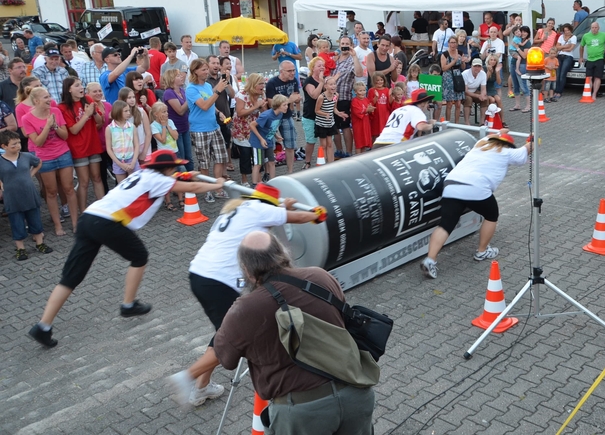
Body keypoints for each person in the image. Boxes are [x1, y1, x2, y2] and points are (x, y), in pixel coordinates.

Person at [28, 151, 225, 348]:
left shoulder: (143, 174)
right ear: (165, 168)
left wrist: (188, 174)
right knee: (139, 256)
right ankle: (128, 304)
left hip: (89, 217)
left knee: (70, 278)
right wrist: (217, 184)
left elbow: (178, 178)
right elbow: (193, 187)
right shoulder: (159, 181)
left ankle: (43, 326)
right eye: (173, 166)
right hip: (107, 222)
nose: (175, 169)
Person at [167, 183, 322, 407]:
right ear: (268, 205)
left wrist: (283, 206)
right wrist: (316, 215)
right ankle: (188, 377)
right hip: (219, 281)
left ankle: (201, 387)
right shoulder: (260, 210)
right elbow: (297, 217)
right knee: (234, 338)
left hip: (199, 275)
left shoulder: (239, 209)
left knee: (223, 332)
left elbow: (276, 214)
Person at [212, 231, 376, 434]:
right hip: (355, 392)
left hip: (303, 412)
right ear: (283, 253)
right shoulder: (320, 276)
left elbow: (226, 359)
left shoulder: (245, 308)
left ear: (246, 270)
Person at [420, 130, 532, 279]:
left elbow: (491, 135)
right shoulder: (507, 152)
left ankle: (430, 260)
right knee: (491, 215)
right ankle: (482, 251)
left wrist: (501, 131)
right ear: (508, 145)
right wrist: (533, 139)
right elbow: (526, 150)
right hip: (476, 188)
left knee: (445, 224)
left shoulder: (480, 145)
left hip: (451, 185)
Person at [19, 87, 79, 236]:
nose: (49, 99)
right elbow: (38, 142)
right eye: (46, 97)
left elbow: (65, 136)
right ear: (36, 100)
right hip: (44, 157)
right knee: (51, 192)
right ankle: (58, 225)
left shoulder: (56, 112)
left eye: (49, 96)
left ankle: (76, 223)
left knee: (69, 188)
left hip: (63, 154)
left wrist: (55, 126)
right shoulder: (26, 118)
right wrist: (47, 126)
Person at [0, 130, 53, 261]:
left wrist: (30, 174)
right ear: (4, 146)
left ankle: (40, 243)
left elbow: (38, 162)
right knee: (16, 222)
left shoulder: (26, 156)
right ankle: (20, 248)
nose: (18, 146)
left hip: (29, 194)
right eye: (13, 144)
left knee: (35, 219)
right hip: (12, 196)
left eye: (18, 143)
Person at [58, 77, 105, 213]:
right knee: (83, 181)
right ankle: (83, 211)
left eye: (81, 85)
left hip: (93, 144)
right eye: (77, 85)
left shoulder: (88, 99)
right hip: (78, 148)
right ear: (69, 89)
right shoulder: (63, 107)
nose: (81, 88)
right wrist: (86, 115)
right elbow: (73, 130)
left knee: (97, 177)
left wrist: (94, 112)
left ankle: (104, 209)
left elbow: (99, 121)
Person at [186, 59, 229, 202]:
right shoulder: (191, 89)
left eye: (206, 69)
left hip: (214, 126)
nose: (207, 72)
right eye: (203, 70)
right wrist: (218, 90)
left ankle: (217, 188)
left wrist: (218, 112)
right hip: (199, 129)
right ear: (195, 71)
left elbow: (211, 103)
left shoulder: (208, 86)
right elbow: (204, 106)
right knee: (204, 162)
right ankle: (206, 190)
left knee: (220, 158)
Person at [265, 61, 302, 173]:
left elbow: (296, 98)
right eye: (289, 71)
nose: (292, 73)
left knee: (290, 145)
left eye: (294, 70)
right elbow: (272, 104)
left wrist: (295, 100)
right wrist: (289, 100)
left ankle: (290, 172)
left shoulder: (294, 81)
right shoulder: (272, 83)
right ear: (281, 71)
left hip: (287, 116)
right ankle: (269, 172)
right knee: (269, 145)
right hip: (273, 118)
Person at [233, 73, 268, 185]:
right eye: (260, 84)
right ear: (253, 84)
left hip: (255, 128)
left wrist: (262, 107)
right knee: (245, 155)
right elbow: (240, 112)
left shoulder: (261, 94)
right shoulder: (242, 94)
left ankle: (258, 179)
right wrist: (255, 106)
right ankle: (244, 179)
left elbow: (264, 112)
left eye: (263, 83)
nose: (263, 86)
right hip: (242, 129)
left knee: (257, 155)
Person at [331, 36, 363, 159]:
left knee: (345, 126)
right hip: (331, 97)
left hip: (344, 97)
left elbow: (359, 73)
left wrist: (354, 56)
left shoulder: (352, 60)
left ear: (351, 45)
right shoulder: (335, 59)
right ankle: (339, 151)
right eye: (342, 43)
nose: (344, 46)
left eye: (347, 44)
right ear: (339, 45)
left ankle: (349, 152)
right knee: (334, 126)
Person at [149, 102, 183, 211]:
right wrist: (163, 126)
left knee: (178, 176)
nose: (167, 113)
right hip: (163, 155)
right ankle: (168, 201)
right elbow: (162, 140)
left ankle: (180, 199)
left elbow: (176, 136)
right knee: (166, 178)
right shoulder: (153, 126)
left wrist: (167, 125)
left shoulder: (170, 122)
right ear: (156, 114)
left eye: (166, 111)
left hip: (175, 153)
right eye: (163, 112)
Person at [250, 95, 288, 183]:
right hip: (258, 142)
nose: (287, 107)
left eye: (287, 104)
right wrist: (261, 139)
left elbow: (271, 127)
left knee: (271, 162)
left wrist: (276, 136)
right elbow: (252, 125)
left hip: (268, 141)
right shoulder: (266, 115)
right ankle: (254, 185)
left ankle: (272, 182)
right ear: (278, 105)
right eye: (284, 105)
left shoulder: (280, 114)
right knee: (258, 164)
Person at [162, 69, 193, 172]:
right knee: (181, 158)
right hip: (176, 129)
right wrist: (191, 98)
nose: (182, 77)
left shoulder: (182, 91)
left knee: (189, 157)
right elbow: (180, 111)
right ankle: (183, 178)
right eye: (178, 76)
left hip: (185, 127)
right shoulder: (169, 93)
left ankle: (191, 177)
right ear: (172, 79)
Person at [85, 82, 114, 194]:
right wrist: (100, 122)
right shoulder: (87, 108)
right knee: (101, 175)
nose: (98, 93)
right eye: (95, 91)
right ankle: (105, 196)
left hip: (111, 144)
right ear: (88, 94)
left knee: (117, 171)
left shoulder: (108, 105)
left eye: (100, 91)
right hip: (97, 146)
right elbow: (90, 129)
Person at [106, 98, 139, 183]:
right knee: (122, 185)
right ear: (118, 112)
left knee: (135, 184)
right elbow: (109, 148)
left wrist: (133, 162)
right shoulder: (109, 128)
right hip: (118, 160)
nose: (129, 113)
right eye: (126, 111)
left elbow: (136, 145)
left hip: (131, 158)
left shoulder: (132, 127)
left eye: (129, 110)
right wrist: (119, 163)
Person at [315, 76, 346, 164]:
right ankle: (323, 162)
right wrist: (325, 114)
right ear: (325, 86)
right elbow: (316, 110)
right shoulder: (321, 97)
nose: (333, 86)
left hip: (330, 123)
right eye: (331, 84)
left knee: (329, 144)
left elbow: (334, 108)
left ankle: (330, 163)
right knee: (323, 145)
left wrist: (339, 113)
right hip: (321, 123)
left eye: (334, 84)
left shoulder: (336, 95)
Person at [119, 87, 152, 167]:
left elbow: (148, 133)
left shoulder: (141, 111)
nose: (132, 100)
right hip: (129, 149)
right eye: (129, 98)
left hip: (144, 146)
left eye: (133, 97)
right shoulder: (120, 115)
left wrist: (144, 152)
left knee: (146, 170)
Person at [579, 22, 605, 100]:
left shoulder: (604, 35)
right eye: (592, 27)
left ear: (598, 28)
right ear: (590, 28)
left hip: (599, 59)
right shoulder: (586, 36)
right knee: (589, 77)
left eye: (596, 27)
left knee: (597, 77)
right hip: (590, 59)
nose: (594, 29)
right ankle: (588, 93)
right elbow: (581, 46)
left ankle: (594, 93)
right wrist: (581, 57)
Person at [440, 36, 465, 124]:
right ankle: (448, 123)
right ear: (448, 43)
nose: (453, 44)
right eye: (451, 42)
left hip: (457, 77)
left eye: (454, 42)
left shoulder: (460, 53)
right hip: (448, 77)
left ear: (457, 43)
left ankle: (457, 123)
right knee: (449, 103)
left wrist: (463, 61)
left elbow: (463, 67)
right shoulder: (444, 54)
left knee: (458, 103)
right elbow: (443, 68)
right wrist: (454, 61)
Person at [554, 24, 577, 100]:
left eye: (568, 30)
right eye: (565, 31)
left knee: (563, 74)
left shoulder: (573, 37)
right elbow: (557, 47)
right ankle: (556, 90)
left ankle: (559, 91)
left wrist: (562, 48)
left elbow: (570, 49)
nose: (566, 32)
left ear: (570, 30)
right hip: (560, 56)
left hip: (568, 56)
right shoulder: (561, 36)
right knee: (558, 74)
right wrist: (564, 47)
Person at [350, 81, 373, 154]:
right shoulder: (354, 101)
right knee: (359, 143)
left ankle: (363, 155)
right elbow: (357, 112)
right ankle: (358, 156)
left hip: (365, 123)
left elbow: (369, 109)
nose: (363, 92)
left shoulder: (366, 99)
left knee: (364, 143)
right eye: (360, 91)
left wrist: (371, 110)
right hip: (358, 124)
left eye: (364, 90)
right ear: (355, 92)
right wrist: (367, 110)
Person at [463, 58, 488, 125]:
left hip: (475, 91)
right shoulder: (465, 74)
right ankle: (467, 122)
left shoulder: (483, 74)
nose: (477, 68)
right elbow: (465, 91)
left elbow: (483, 88)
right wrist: (478, 96)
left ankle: (482, 122)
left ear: (481, 67)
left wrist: (482, 95)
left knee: (485, 99)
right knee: (468, 99)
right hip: (464, 93)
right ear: (471, 66)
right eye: (475, 66)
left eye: (479, 66)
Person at [368, 73, 390, 143]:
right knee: (375, 132)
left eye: (381, 80)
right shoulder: (371, 90)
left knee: (385, 132)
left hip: (385, 115)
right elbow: (370, 104)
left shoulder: (387, 90)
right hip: (376, 115)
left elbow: (389, 103)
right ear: (374, 81)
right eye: (377, 80)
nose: (380, 82)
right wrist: (376, 97)